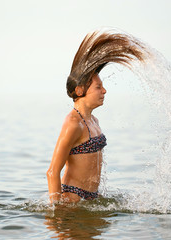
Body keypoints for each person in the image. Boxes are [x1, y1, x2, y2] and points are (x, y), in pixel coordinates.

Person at [46, 28, 146, 203]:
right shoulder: (73, 123)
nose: (104, 91)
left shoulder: (93, 120)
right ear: (80, 90)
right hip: (73, 202)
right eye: (98, 87)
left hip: (91, 201)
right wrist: (57, 212)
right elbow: (52, 172)